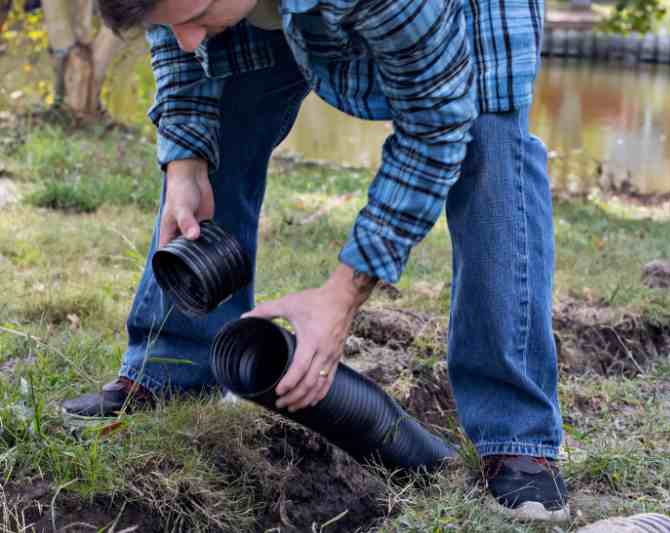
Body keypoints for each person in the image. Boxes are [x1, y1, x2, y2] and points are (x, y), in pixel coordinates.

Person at [63, 0, 568, 522]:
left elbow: (436, 126)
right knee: (224, 109)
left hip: (455, 19)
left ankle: (517, 434)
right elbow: (174, 34)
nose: (185, 38)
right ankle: (175, 367)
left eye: (195, 15)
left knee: (488, 148)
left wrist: (342, 296)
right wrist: (186, 160)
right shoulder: (190, 11)